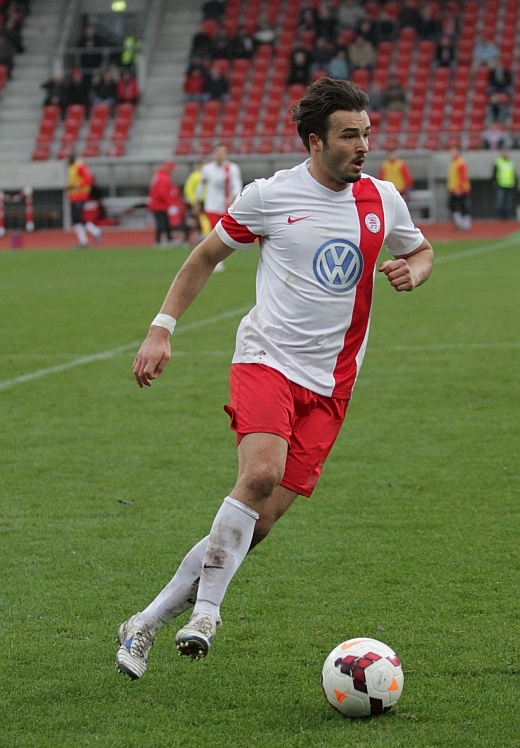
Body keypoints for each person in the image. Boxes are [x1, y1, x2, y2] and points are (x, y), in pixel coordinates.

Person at [114, 77, 434, 680]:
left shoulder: (383, 199)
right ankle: (206, 613)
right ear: (315, 141)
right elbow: (204, 257)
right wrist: (161, 329)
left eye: (367, 133)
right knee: (259, 474)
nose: (363, 146)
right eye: (349, 135)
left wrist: (414, 270)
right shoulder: (269, 196)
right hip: (267, 360)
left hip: (333, 384)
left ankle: (145, 622)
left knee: (254, 525)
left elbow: (421, 250)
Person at [193, 143, 242, 271]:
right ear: (214, 154)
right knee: (214, 232)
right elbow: (201, 186)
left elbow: (237, 185)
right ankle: (215, 260)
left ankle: (217, 257)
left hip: (227, 206)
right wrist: (197, 201)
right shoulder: (207, 169)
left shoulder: (232, 168)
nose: (220, 155)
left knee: (225, 234)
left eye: (223, 152)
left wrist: (232, 196)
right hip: (212, 206)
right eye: (218, 152)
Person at [66, 152, 102, 248]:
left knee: (78, 218)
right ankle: (83, 241)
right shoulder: (71, 167)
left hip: (80, 195)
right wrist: (69, 187)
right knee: (76, 219)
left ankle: (95, 232)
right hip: (73, 196)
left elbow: (88, 179)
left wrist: (77, 186)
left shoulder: (79, 166)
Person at [148, 160, 176, 246]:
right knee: (162, 223)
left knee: (163, 222)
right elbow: (162, 192)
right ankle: (162, 240)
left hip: (157, 203)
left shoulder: (158, 175)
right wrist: (169, 202)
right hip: (160, 204)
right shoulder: (163, 177)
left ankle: (161, 240)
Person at [447, 147, 471, 230]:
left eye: (453, 152)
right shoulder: (454, 162)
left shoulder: (460, 162)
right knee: (452, 205)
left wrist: (459, 188)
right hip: (454, 189)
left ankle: (466, 224)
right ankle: (460, 222)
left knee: (462, 206)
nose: (451, 153)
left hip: (461, 189)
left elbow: (463, 176)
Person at [492, 150, 517, 219]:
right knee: (499, 201)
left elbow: (513, 174)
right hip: (500, 185)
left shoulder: (510, 163)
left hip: (509, 184)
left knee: (508, 202)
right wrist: (495, 182)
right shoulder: (498, 162)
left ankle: (507, 216)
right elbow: (494, 173)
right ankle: (498, 215)